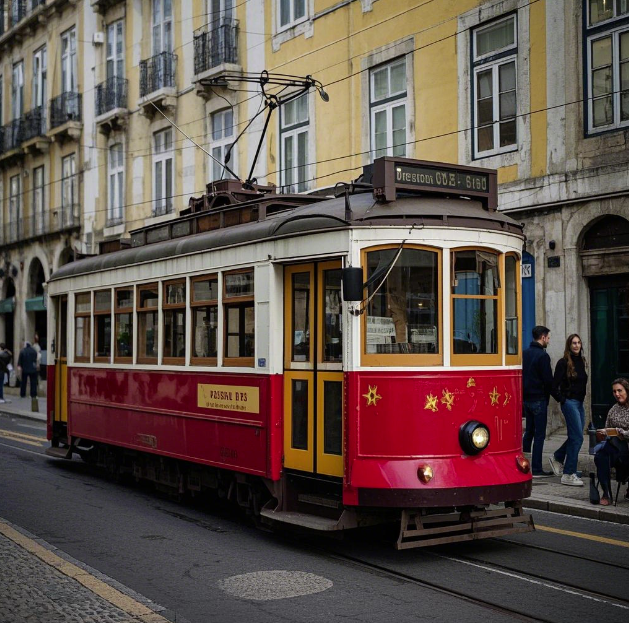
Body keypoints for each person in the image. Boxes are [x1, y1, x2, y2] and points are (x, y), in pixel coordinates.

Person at [549, 334, 588, 486]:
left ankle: (558, 457)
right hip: (570, 403)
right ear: (569, 345)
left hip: (579, 403)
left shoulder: (582, 361)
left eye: (578, 342)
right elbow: (553, 387)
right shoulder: (563, 362)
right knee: (578, 437)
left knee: (575, 436)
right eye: (573, 343)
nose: (576, 345)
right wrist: (563, 400)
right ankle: (568, 474)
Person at [522, 326, 560, 477]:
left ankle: (524, 465)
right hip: (538, 399)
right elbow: (548, 381)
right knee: (539, 435)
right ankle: (536, 468)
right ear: (543, 337)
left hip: (527, 399)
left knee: (529, 433)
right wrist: (558, 397)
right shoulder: (543, 356)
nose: (548, 341)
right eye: (548, 338)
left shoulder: (525, 353)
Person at [593, 378, 629, 506]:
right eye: (614, 391)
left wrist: (621, 433)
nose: (617, 394)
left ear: (627, 391)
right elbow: (607, 427)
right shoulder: (613, 409)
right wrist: (602, 433)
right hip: (614, 448)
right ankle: (606, 492)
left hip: (627, 448)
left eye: (620, 391)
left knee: (611, 446)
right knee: (601, 456)